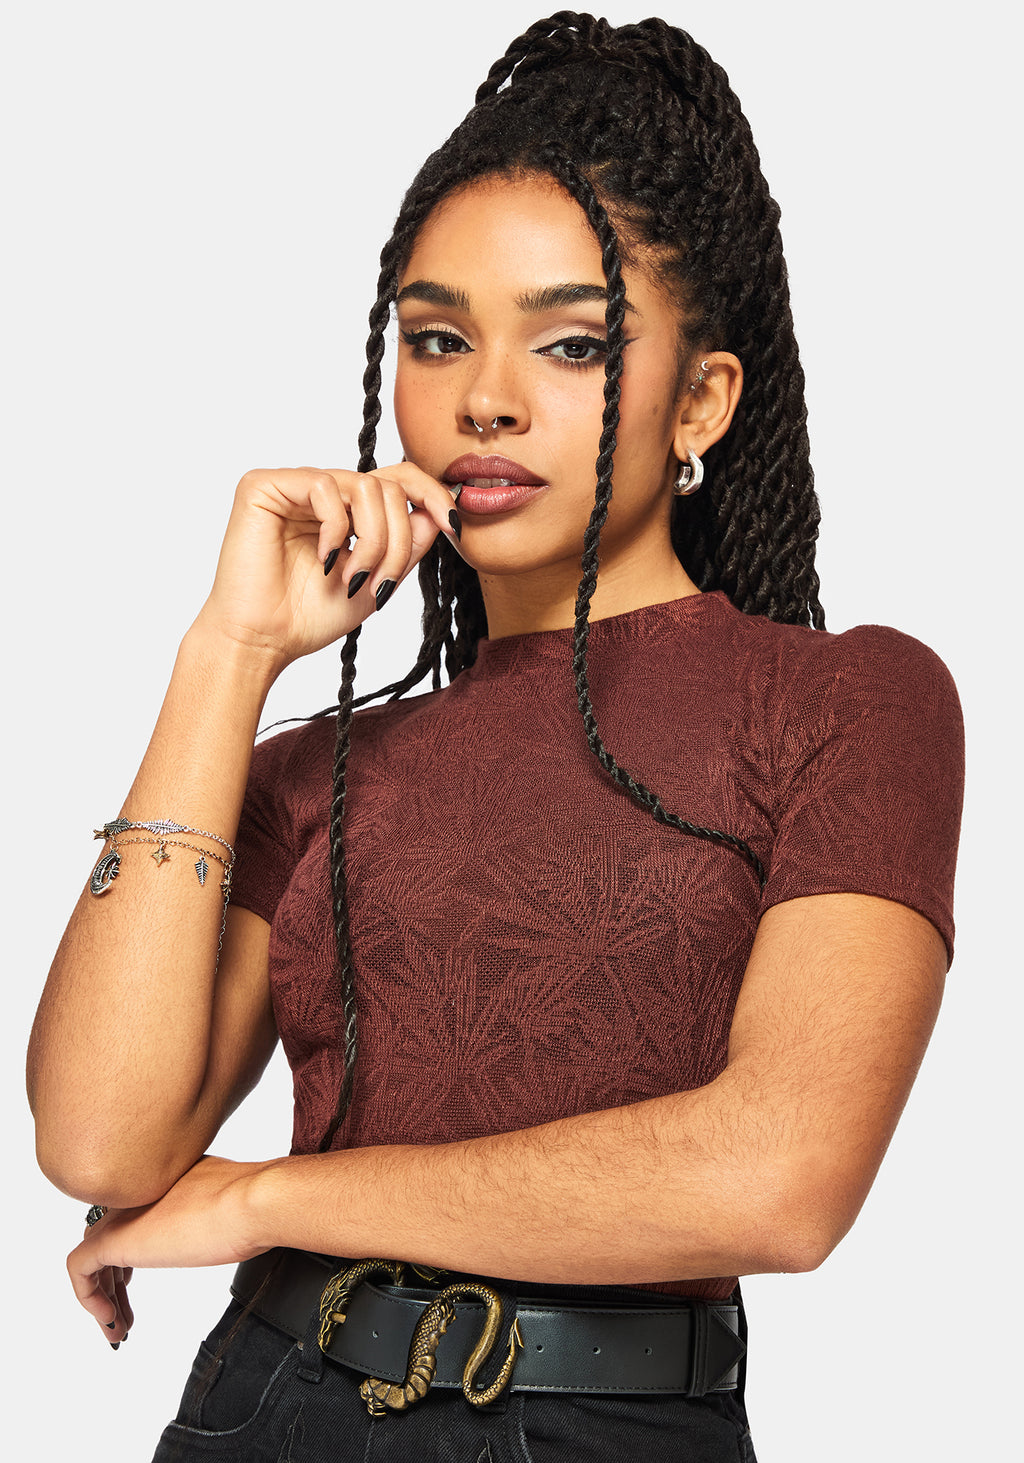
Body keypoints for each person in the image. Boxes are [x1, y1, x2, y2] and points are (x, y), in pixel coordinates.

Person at [27, 12, 964, 1461]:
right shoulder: (316, 768)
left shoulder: (847, 702)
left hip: (609, 1425)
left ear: (702, 400)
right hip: (266, 1411)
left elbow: (779, 1180)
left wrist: (268, 1197)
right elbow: (96, 1142)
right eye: (438, 338)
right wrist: (228, 655)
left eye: (572, 343)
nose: (485, 400)